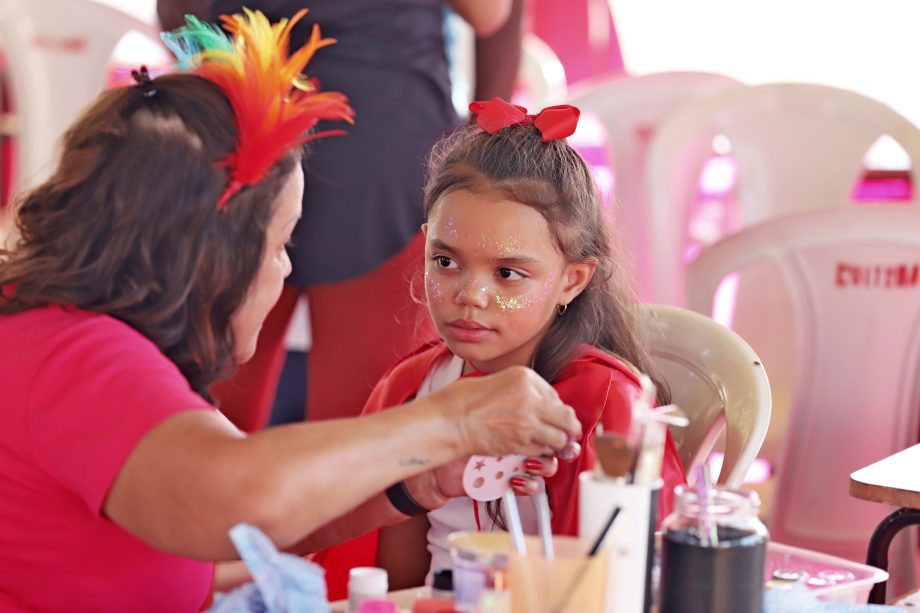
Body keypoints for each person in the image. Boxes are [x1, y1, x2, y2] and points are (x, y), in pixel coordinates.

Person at [0, 14, 582, 611]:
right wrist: (450, 421)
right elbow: (237, 498)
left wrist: (412, 486)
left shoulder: (63, 335)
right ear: (214, 255)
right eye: (280, 245)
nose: (284, 270)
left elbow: (233, 542)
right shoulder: (76, 358)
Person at [358, 97, 687, 587]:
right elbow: (391, 579)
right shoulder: (413, 385)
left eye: (508, 273)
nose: (470, 296)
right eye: (445, 262)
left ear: (572, 280)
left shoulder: (603, 407)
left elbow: (608, 584)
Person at [158, 0, 518, 433]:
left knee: (208, 424)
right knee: (359, 439)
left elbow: (177, 17)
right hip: (339, 148)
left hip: (268, 142)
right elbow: (494, 15)